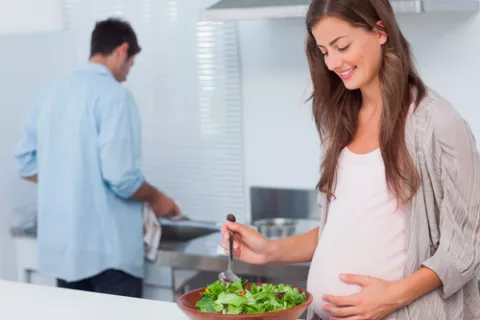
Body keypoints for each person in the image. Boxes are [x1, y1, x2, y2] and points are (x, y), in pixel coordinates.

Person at [220, 0, 480, 319]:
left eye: (342, 46)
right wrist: (269, 251)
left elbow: (466, 245)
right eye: (324, 51)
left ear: (380, 31)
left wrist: (392, 296)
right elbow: (342, 229)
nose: (332, 62)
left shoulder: (436, 124)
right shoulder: (340, 122)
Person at [14, 18, 180, 298]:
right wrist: (157, 198)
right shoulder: (116, 97)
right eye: (131, 64)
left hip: (65, 252)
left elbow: (25, 164)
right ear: (123, 50)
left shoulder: (50, 94)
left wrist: (68, 177)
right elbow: (122, 178)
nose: (128, 72)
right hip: (108, 256)